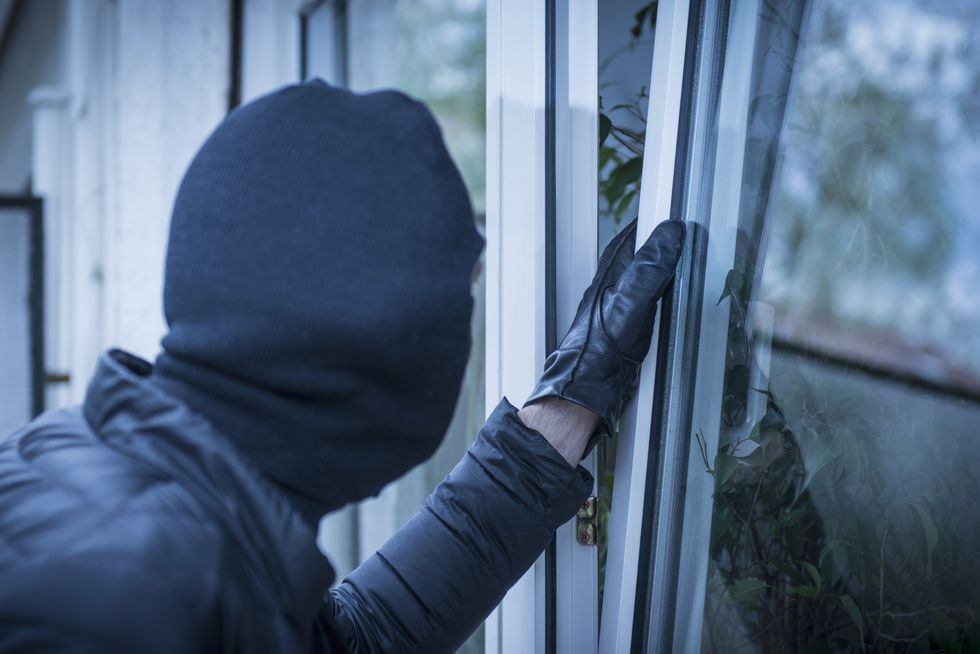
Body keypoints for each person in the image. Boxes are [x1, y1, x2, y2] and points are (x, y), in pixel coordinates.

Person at [0, 80, 683, 652]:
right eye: (462, 296)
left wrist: (558, 419)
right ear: (375, 345)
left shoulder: (91, 467)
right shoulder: (129, 608)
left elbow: (348, 642)